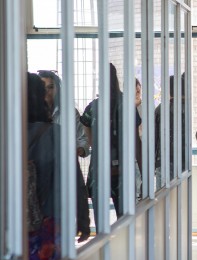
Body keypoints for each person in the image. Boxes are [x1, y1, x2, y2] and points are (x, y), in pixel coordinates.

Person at [81, 63, 142, 230]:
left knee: (101, 227)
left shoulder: (93, 108)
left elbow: (90, 139)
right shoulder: (128, 105)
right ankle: (124, 254)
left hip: (99, 172)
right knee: (125, 224)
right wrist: (143, 174)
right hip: (124, 173)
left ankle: (103, 255)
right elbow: (136, 142)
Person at [38, 70, 91, 243]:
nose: (47, 91)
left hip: (63, 178)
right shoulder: (30, 115)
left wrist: (75, 151)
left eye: (51, 87)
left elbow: (82, 140)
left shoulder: (69, 112)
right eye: (42, 87)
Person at [27, 72, 61, 260]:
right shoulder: (54, 132)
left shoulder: (8, 132)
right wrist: (82, 218)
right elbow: (70, 177)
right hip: (48, 221)